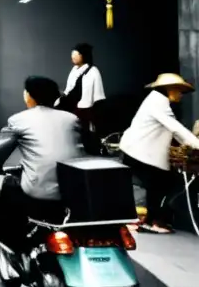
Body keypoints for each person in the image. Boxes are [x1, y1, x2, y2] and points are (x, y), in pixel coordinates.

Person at [0, 76, 82, 249]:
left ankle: (15, 243)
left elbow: (0, 151)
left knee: (10, 185)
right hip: (74, 191)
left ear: (29, 96)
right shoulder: (72, 119)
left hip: (39, 192)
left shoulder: (19, 120)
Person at [118, 73, 199, 234]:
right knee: (160, 184)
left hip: (138, 150)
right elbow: (175, 128)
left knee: (159, 185)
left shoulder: (157, 101)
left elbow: (173, 131)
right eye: (178, 91)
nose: (180, 95)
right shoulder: (158, 103)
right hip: (139, 151)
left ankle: (148, 220)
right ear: (169, 89)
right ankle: (150, 221)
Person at [57, 43, 106, 154]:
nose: (73, 56)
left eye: (77, 54)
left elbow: (97, 94)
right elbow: (69, 89)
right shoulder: (74, 70)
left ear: (84, 55)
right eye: (72, 54)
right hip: (72, 103)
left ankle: (94, 149)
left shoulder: (93, 71)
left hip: (86, 106)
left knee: (87, 130)